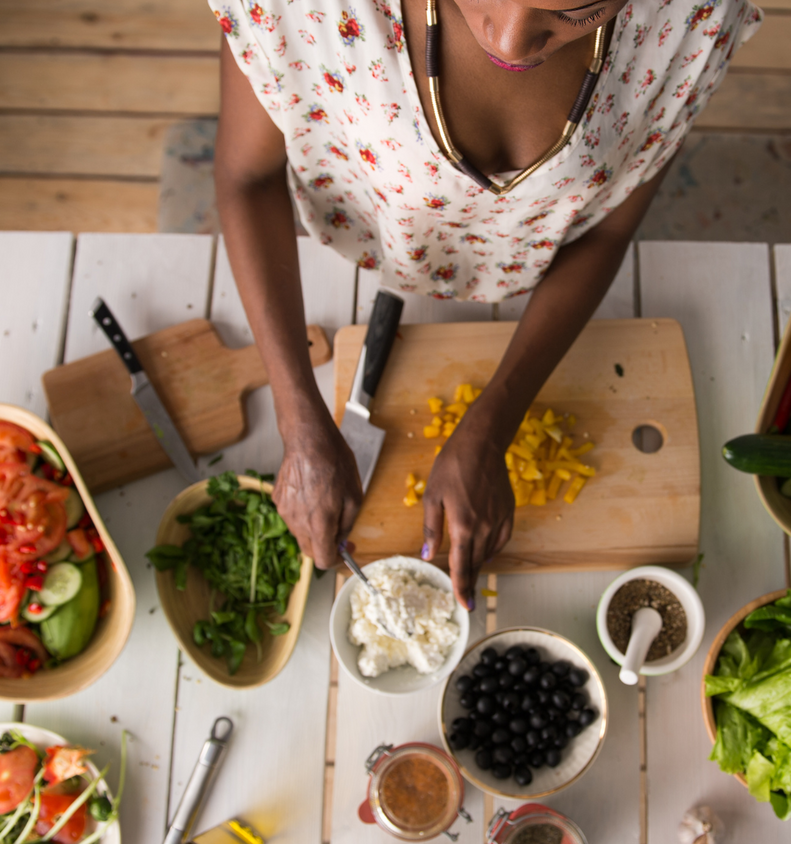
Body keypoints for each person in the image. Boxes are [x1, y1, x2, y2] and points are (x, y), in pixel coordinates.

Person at [212, 0, 762, 611]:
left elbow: (606, 232)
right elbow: (247, 178)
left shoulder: (690, 15)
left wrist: (494, 422)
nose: (511, 42)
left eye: (575, 11)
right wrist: (296, 419)